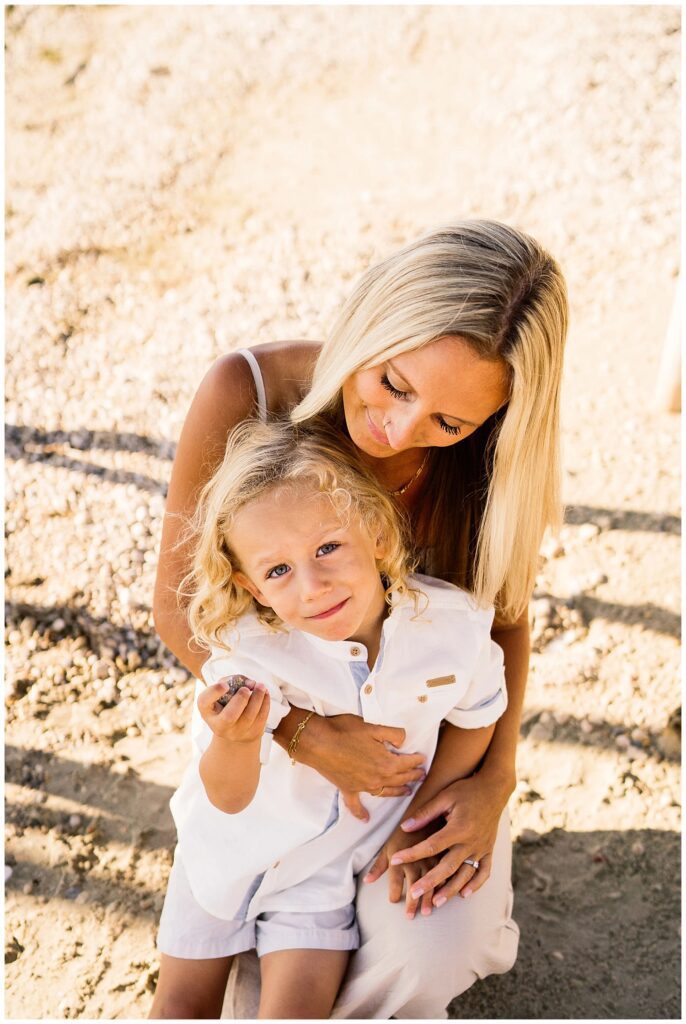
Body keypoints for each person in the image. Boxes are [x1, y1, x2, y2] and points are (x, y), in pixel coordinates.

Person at [152, 219, 568, 1018]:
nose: (399, 431)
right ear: (372, 321)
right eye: (394, 384)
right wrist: (301, 733)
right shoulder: (250, 392)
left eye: (449, 423)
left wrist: (495, 778)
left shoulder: (489, 454)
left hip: (416, 768)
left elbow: (504, 620)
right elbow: (180, 608)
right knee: (227, 960)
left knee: (424, 951)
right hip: (275, 765)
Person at [149, 418, 508, 1019]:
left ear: (376, 532)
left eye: (327, 548)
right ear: (251, 587)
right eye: (278, 571)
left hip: (325, 878)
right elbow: (227, 799)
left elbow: (478, 716)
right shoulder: (247, 658)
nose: (313, 586)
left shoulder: (453, 628)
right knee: (181, 1007)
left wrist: (423, 813)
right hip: (221, 857)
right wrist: (236, 740)